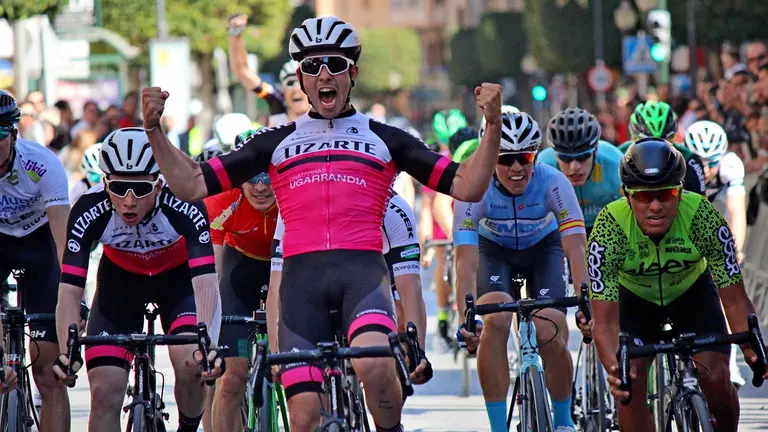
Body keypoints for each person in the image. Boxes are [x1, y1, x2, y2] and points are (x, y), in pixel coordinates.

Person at [141, 14, 502, 431]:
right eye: (312, 66)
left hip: (362, 278)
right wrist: (154, 131)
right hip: (301, 287)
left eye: (334, 64)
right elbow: (189, 183)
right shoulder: (275, 141)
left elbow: (469, 184)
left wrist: (491, 126)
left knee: (375, 368)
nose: (324, 74)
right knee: (305, 417)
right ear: (302, 77)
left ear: (354, 73)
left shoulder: (386, 137)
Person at [588, 138, 768, 431]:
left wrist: (750, 345)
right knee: (629, 385)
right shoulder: (610, 227)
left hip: (692, 296)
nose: (656, 205)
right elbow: (604, 322)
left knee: (716, 376)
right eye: (644, 197)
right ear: (627, 195)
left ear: (681, 191)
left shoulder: (701, 216)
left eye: (667, 193)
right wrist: (614, 369)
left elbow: (734, 299)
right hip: (635, 303)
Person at [52, 128, 225, 432]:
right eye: (118, 188)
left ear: (159, 184)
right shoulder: (89, 210)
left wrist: (207, 344)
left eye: (141, 189)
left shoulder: (184, 203)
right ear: (104, 182)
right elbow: (68, 290)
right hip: (119, 287)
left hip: (178, 283)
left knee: (190, 362)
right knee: (105, 391)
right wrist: (68, 353)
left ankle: (187, 428)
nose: (128, 201)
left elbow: (205, 282)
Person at [454, 111, 592, 432]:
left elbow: (575, 248)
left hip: (544, 249)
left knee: (550, 329)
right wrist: (466, 315)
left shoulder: (553, 182)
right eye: (505, 159)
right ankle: (498, 426)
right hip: (494, 253)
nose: (517, 167)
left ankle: (562, 419)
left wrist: (586, 301)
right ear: (489, 157)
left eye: (525, 157)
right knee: (496, 320)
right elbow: (466, 262)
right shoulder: (472, 188)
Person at [270, 191, 432, 379]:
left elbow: (410, 289)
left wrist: (416, 351)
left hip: (377, 274)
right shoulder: (292, 209)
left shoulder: (395, 210)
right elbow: (277, 287)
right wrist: (277, 354)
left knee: (399, 320)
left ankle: (388, 385)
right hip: (315, 278)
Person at [0, 90, 73, 428]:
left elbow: (64, 239)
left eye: (0, 134)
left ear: (14, 133)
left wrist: (75, 297)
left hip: (40, 243)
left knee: (49, 373)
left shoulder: (41, 163)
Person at [201, 129, 278, 432]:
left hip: (284, 270)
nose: (260, 187)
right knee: (232, 376)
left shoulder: (292, 198)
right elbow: (213, 272)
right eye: (251, 178)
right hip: (238, 272)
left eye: (268, 178)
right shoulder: (222, 201)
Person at [683, 119, 749, 388]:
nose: (708, 169)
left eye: (713, 161)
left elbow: (736, 211)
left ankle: (730, 362)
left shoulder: (731, 165)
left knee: (724, 289)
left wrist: (734, 251)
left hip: (714, 218)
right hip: (688, 219)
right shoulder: (682, 164)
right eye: (702, 161)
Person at [538, 108, 623, 234]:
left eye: (583, 157)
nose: (574, 167)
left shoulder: (615, 163)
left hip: (607, 228)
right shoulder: (543, 166)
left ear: (595, 151)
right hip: (562, 229)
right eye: (565, 158)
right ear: (555, 155)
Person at [228, 14, 309, 127]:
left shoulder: (325, 108)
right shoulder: (276, 102)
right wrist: (235, 33)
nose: (295, 89)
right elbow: (242, 72)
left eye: (300, 83)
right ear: (283, 89)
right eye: (290, 83)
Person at [618, 101, 707, 195]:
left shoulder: (690, 160)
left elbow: (701, 201)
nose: (655, 152)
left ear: (674, 137)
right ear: (633, 138)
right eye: (646, 145)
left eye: (664, 142)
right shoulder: (617, 155)